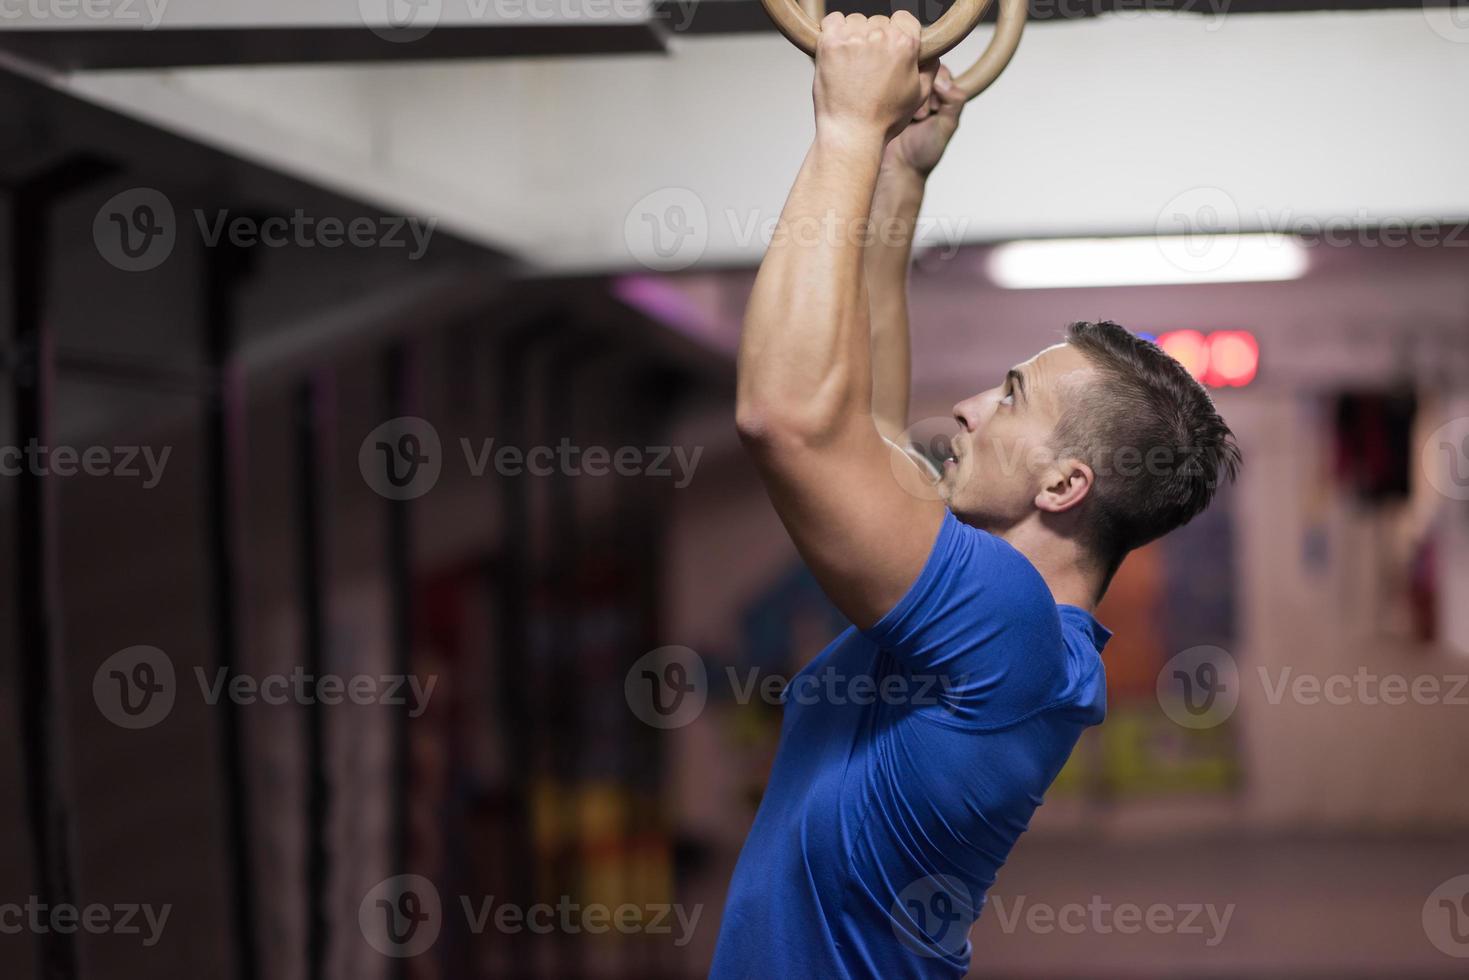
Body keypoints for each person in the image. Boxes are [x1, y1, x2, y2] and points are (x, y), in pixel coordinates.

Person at [712, 11, 1241, 977]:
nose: (962, 409)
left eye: (1008, 397)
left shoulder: (1006, 630)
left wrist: (844, 127)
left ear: (1064, 482)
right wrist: (898, 174)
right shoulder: (1022, 623)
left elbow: (786, 419)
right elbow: (866, 428)